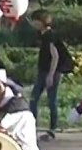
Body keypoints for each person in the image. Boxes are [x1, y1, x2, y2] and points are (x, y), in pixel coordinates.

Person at [29, 9, 70, 140]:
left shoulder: (50, 36)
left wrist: (50, 75)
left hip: (51, 72)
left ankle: (51, 130)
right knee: (34, 99)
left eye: (35, 20)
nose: (33, 23)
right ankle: (32, 128)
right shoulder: (43, 35)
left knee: (50, 100)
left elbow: (55, 56)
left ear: (41, 21)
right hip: (44, 71)